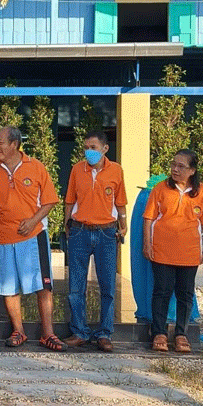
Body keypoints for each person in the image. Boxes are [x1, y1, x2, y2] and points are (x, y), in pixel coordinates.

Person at [0, 127, 66, 351]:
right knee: (8, 288)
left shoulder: (36, 167)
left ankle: (48, 334)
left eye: (0, 142)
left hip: (33, 236)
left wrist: (32, 221)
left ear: (14, 144)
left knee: (43, 286)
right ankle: (18, 331)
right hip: (3, 238)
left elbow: (49, 201)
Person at [64, 130, 127, 352]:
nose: (88, 151)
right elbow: (69, 200)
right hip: (80, 231)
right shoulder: (77, 170)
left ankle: (104, 333)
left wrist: (123, 224)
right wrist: (66, 225)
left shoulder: (116, 170)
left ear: (105, 149)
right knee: (76, 286)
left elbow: (120, 202)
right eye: (86, 148)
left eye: (93, 147)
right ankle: (79, 331)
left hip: (106, 233)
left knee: (108, 286)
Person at [143, 149, 203, 353]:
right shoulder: (160, 189)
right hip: (162, 251)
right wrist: (147, 244)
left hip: (189, 253)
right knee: (161, 292)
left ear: (192, 170)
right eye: (173, 164)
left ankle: (181, 334)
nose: (175, 169)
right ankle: (159, 333)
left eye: (181, 166)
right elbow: (148, 218)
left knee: (185, 294)